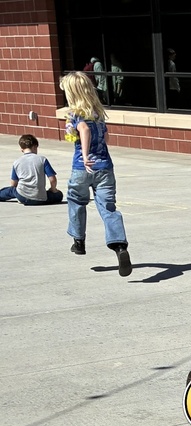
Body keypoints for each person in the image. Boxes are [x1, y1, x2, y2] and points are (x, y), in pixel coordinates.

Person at [60, 71, 132, 277]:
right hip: (105, 167)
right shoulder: (98, 113)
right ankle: (120, 247)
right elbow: (106, 138)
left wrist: (84, 155)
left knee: (76, 200)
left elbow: (84, 130)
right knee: (109, 208)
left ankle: (79, 241)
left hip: (83, 167)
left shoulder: (75, 113)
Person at [0, 134, 63, 205]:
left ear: (21, 149)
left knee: (10, 190)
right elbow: (52, 179)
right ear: (35, 147)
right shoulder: (42, 160)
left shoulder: (17, 162)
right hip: (41, 198)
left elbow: (13, 183)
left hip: (22, 196)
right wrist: (53, 189)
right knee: (59, 195)